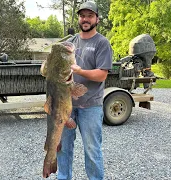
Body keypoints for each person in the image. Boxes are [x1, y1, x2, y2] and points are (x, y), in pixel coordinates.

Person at [56, 1, 113, 180]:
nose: (85, 19)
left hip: (91, 106)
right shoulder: (71, 42)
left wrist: (80, 71)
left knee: (92, 149)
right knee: (64, 147)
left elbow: (102, 75)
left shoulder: (102, 43)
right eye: (82, 16)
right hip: (67, 105)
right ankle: (63, 177)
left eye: (89, 16)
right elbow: (53, 57)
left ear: (97, 18)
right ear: (78, 19)